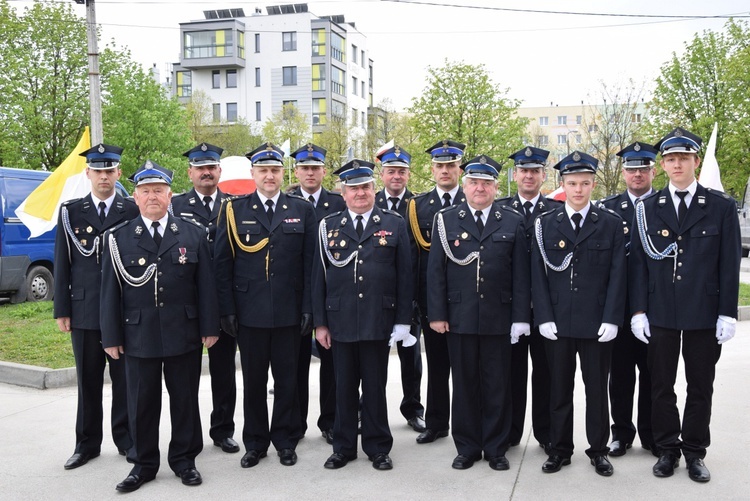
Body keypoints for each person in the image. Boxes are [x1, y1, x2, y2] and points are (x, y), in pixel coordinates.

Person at [629, 127, 741, 483]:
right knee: (661, 384)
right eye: (671, 159)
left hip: (703, 312)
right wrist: (638, 311)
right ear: (662, 165)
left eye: (684, 158)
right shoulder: (647, 208)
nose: (677, 164)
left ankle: (694, 451)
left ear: (695, 161)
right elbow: (639, 266)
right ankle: (667, 449)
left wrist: (728, 312)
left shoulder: (720, 206)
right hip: (660, 311)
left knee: (700, 385)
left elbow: (728, 263)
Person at [100, 161, 219, 492]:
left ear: (170, 195)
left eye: (159, 191)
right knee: (141, 402)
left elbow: (206, 286)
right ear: (135, 197)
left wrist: (210, 327)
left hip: (184, 331)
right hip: (138, 334)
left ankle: (184, 460)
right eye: (145, 191)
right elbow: (109, 293)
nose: (152, 197)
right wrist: (110, 336)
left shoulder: (192, 234)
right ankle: (143, 464)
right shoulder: (119, 238)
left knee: (185, 400)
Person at [213, 142, 317, 468]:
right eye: (263, 170)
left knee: (288, 381)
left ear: (283, 172)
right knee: (254, 383)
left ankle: (285, 441)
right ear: (253, 173)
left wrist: (309, 309)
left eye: (274, 170)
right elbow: (222, 265)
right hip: (250, 312)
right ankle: (255, 442)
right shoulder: (233, 210)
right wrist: (227, 309)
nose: (269, 176)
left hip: (289, 311)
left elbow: (311, 264)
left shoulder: (301, 210)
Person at [427, 155, 530, 470]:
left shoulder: (512, 220)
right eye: (474, 182)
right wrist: (437, 314)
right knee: (465, 384)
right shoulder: (446, 220)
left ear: (496, 187)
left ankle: (496, 448)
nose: (479, 188)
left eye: (486, 183)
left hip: (499, 318)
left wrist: (520, 317)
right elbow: (436, 272)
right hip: (460, 316)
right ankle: (468, 447)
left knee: (498, 384)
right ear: (465, 183)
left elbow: (521, 275)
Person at [312, 159, 414, 471]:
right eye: (354, 189)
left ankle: (378, 447)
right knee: (342, 388)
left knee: (374, 387)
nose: (360, 193)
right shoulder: (328, 226)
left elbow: (405, 276)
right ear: (343, 193)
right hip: (340, 320)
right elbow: (319, 277)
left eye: (365, 187)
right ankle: (343, 448)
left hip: (377, 319)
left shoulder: (394, 223)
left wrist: (403, 320)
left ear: (374, 189)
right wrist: (320, 323)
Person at [531, 151, 626, 477]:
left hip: (596, 322)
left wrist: (612, 318)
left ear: (593, 184)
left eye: (585, 183)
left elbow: (618, 275)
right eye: (572, 183)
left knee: (597, 390)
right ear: (562, 184)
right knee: (558, 390)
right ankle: (559, 449)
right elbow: (537, 275)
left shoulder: (610, 223)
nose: (579, 189)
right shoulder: (545, 224)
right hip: (557, 322)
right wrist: (543, 316)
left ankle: (598, 450)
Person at [54, 143, 139, 470]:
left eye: (110, 170)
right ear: (87, 173)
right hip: (86, 310)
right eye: (98, 171)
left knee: (125, 380)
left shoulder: (131, 210)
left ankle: (126, 439)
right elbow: (63, 264)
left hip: (123, 310)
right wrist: (62, 308)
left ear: (118, 173)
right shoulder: (70, 211)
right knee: (88, 380)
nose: (104, 176)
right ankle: (86, 444)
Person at [171, 142, 239, 454]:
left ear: (219, 171)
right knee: (185, 377)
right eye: (200, 168)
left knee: (224, 372)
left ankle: (222, 429)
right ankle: (187, 435)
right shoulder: (175, 205)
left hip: (223, 300)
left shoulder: (235, 205)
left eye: (211, 167)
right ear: (190, 172)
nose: (206, 172)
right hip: (187, 302)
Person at [498, 146, 560, 453]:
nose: (528, 176)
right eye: (523, 170)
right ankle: (510, 432)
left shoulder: (556, 211)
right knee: (511, 373)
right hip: (508, 309)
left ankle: (546, 433)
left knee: (546, 373)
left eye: (535, 171)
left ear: (543, 176)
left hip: (547, 309)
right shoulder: (500, 209)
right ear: (514, 174)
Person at [599, 141, 658, 457]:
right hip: (620, 310)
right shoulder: (608, 209)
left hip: (656, 306)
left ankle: (651, 434)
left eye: (644, 168)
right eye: (632, 169)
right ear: (623, 173)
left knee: (653, 376)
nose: (638, 174)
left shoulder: (663, 206)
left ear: (653, 170)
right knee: (619, 376)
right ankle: (621, 433)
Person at [406, 139, 466, 445]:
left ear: (459, 168)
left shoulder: (474, 200)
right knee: (438, 366)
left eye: (450, 165)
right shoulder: (418, 206)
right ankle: (437, 422)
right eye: (440, 166)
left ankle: (469, 426)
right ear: (432, 169)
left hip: (468, 301)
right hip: (433, 301)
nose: (445, 171)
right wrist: (414, 302)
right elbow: (412, 259)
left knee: (468, 369)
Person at [289, 143, 346, 444]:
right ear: (296, 171)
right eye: (304, 168)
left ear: (324, 171)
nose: (310, 173)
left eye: (315, 168)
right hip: (296, 295)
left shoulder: (338, 203)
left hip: (330, 293)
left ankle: (330, 421)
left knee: (332, 363)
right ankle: (296, 423)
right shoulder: (285, 203)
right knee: (297, 363)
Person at [374, 145, 425, 433]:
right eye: (391, 171)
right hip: (376, 294)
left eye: (402, 171)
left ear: (408, 174)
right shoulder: (368, 201)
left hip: (409, 295)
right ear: (382, 174)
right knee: (372, 358)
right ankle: (367, 408)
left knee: (411, 358)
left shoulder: (418, 205)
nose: (397, 176)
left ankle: (413, 409)